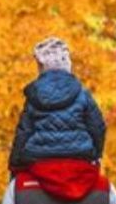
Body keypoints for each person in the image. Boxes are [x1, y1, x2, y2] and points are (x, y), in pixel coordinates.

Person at [7, 37, 106, 172]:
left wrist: (14, 164)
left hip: (38, 158)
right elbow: (98, 127)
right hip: (79, 156)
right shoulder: (83, 94)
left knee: (13, 192)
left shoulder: (34, 96)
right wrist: (96, 154)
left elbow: (24, 132)